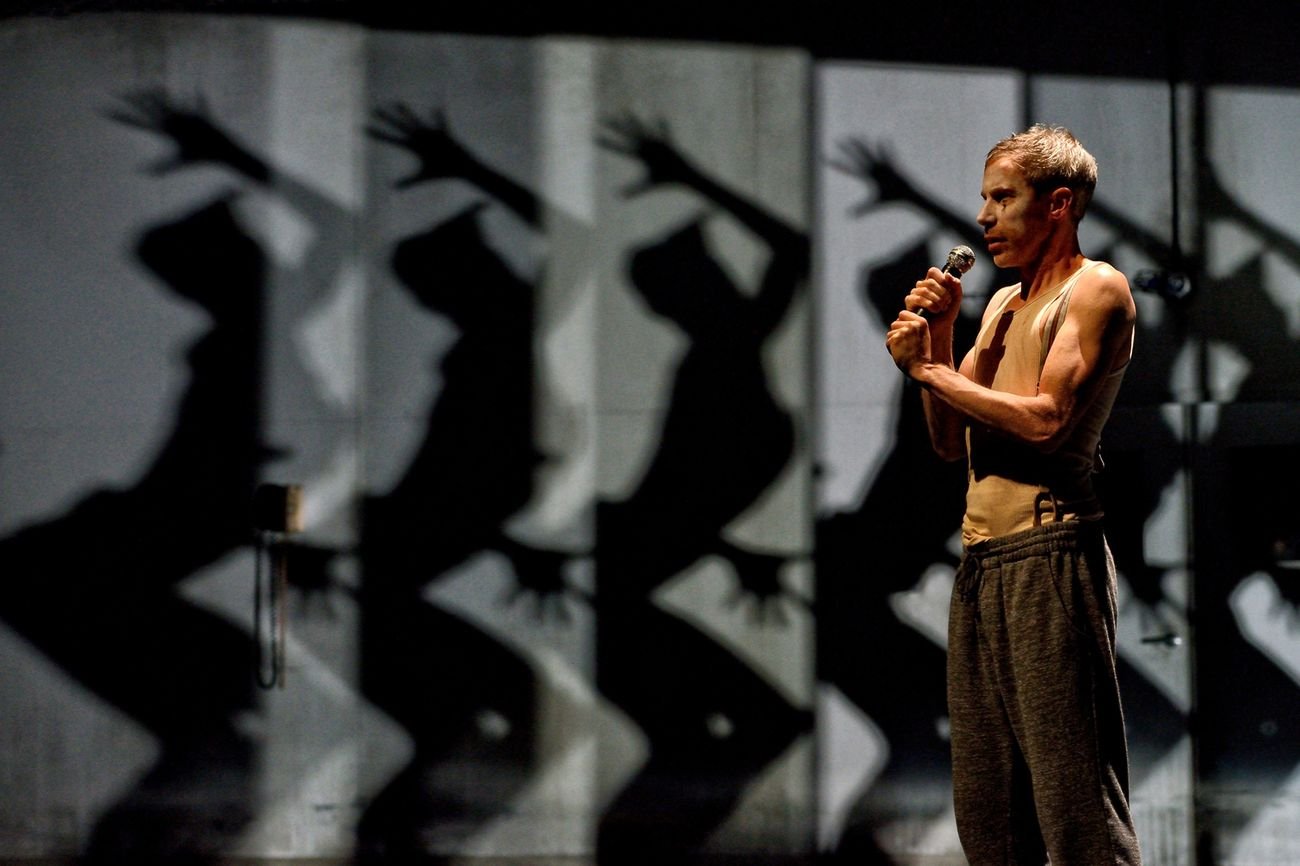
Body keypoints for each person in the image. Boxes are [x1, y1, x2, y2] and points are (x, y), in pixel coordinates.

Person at [885, 124, 1143, 865]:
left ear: (1058, 204)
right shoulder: (998, 307)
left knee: (1074, 806)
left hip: (1050, 555)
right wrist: (939, 340)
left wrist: (931, 373)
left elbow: (1046, 421)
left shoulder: (1097, 289)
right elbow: (947, 441)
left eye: (1003, 198)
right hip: (983, 565)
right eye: (983, 199)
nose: (984, 217)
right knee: (990, 812)